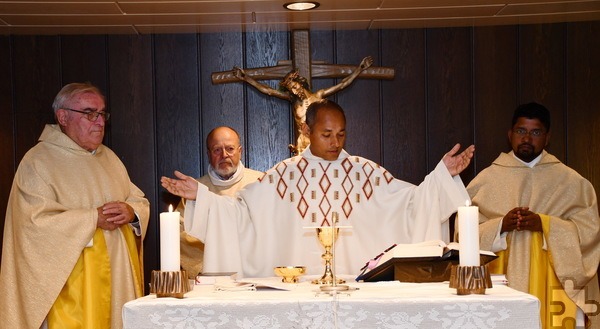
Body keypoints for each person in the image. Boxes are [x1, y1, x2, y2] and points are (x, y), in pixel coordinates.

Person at [162, 99, 475, 279]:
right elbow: (241, 214)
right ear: (306, 130)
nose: (335, 142)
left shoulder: (366, 173)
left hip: (353, 289)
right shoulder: (283, 176)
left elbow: (411, 204)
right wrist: (202, 196)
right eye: (326, 134)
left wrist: (440, 177)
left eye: (341, 134)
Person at [0, 83, 149, 328]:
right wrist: (92, 219)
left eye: (102, 114)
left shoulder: (109, 158)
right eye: (90, 113)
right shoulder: (38, 161)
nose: (99, 121)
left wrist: (131, 212)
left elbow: (137, 199)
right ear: (63, 117)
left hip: (117, 279)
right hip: (73, 287)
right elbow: (32, 224)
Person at [465, 102, 599, 328]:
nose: (527, 138)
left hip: (552, 283)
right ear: (510, 135)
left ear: (547, 138)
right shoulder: (486, 181)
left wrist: (545, 224)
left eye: (535, 132)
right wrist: (499, 226)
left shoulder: (572, 183)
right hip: (501, 282)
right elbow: (465, 235)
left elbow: (589, 233)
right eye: (521, 131)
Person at [232, 56, 373, 155]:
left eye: (295, 86)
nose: (294, 90)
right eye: (291, 89)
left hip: (321, 140)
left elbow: (342, 85)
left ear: (301, 82)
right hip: (302, 143)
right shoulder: (293, 101)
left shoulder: (318, 96)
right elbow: (268, 91)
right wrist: (246, 78)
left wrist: (359, 69)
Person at [178, 126, 263, 278]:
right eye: (217, 150)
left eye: (230, 148)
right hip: (212, 278)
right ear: (208, 154)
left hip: (254, 275)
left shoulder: (260, 183)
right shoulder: (194, 191)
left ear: (240, 151)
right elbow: (182, 236)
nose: (224, 155)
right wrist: (212, 262)